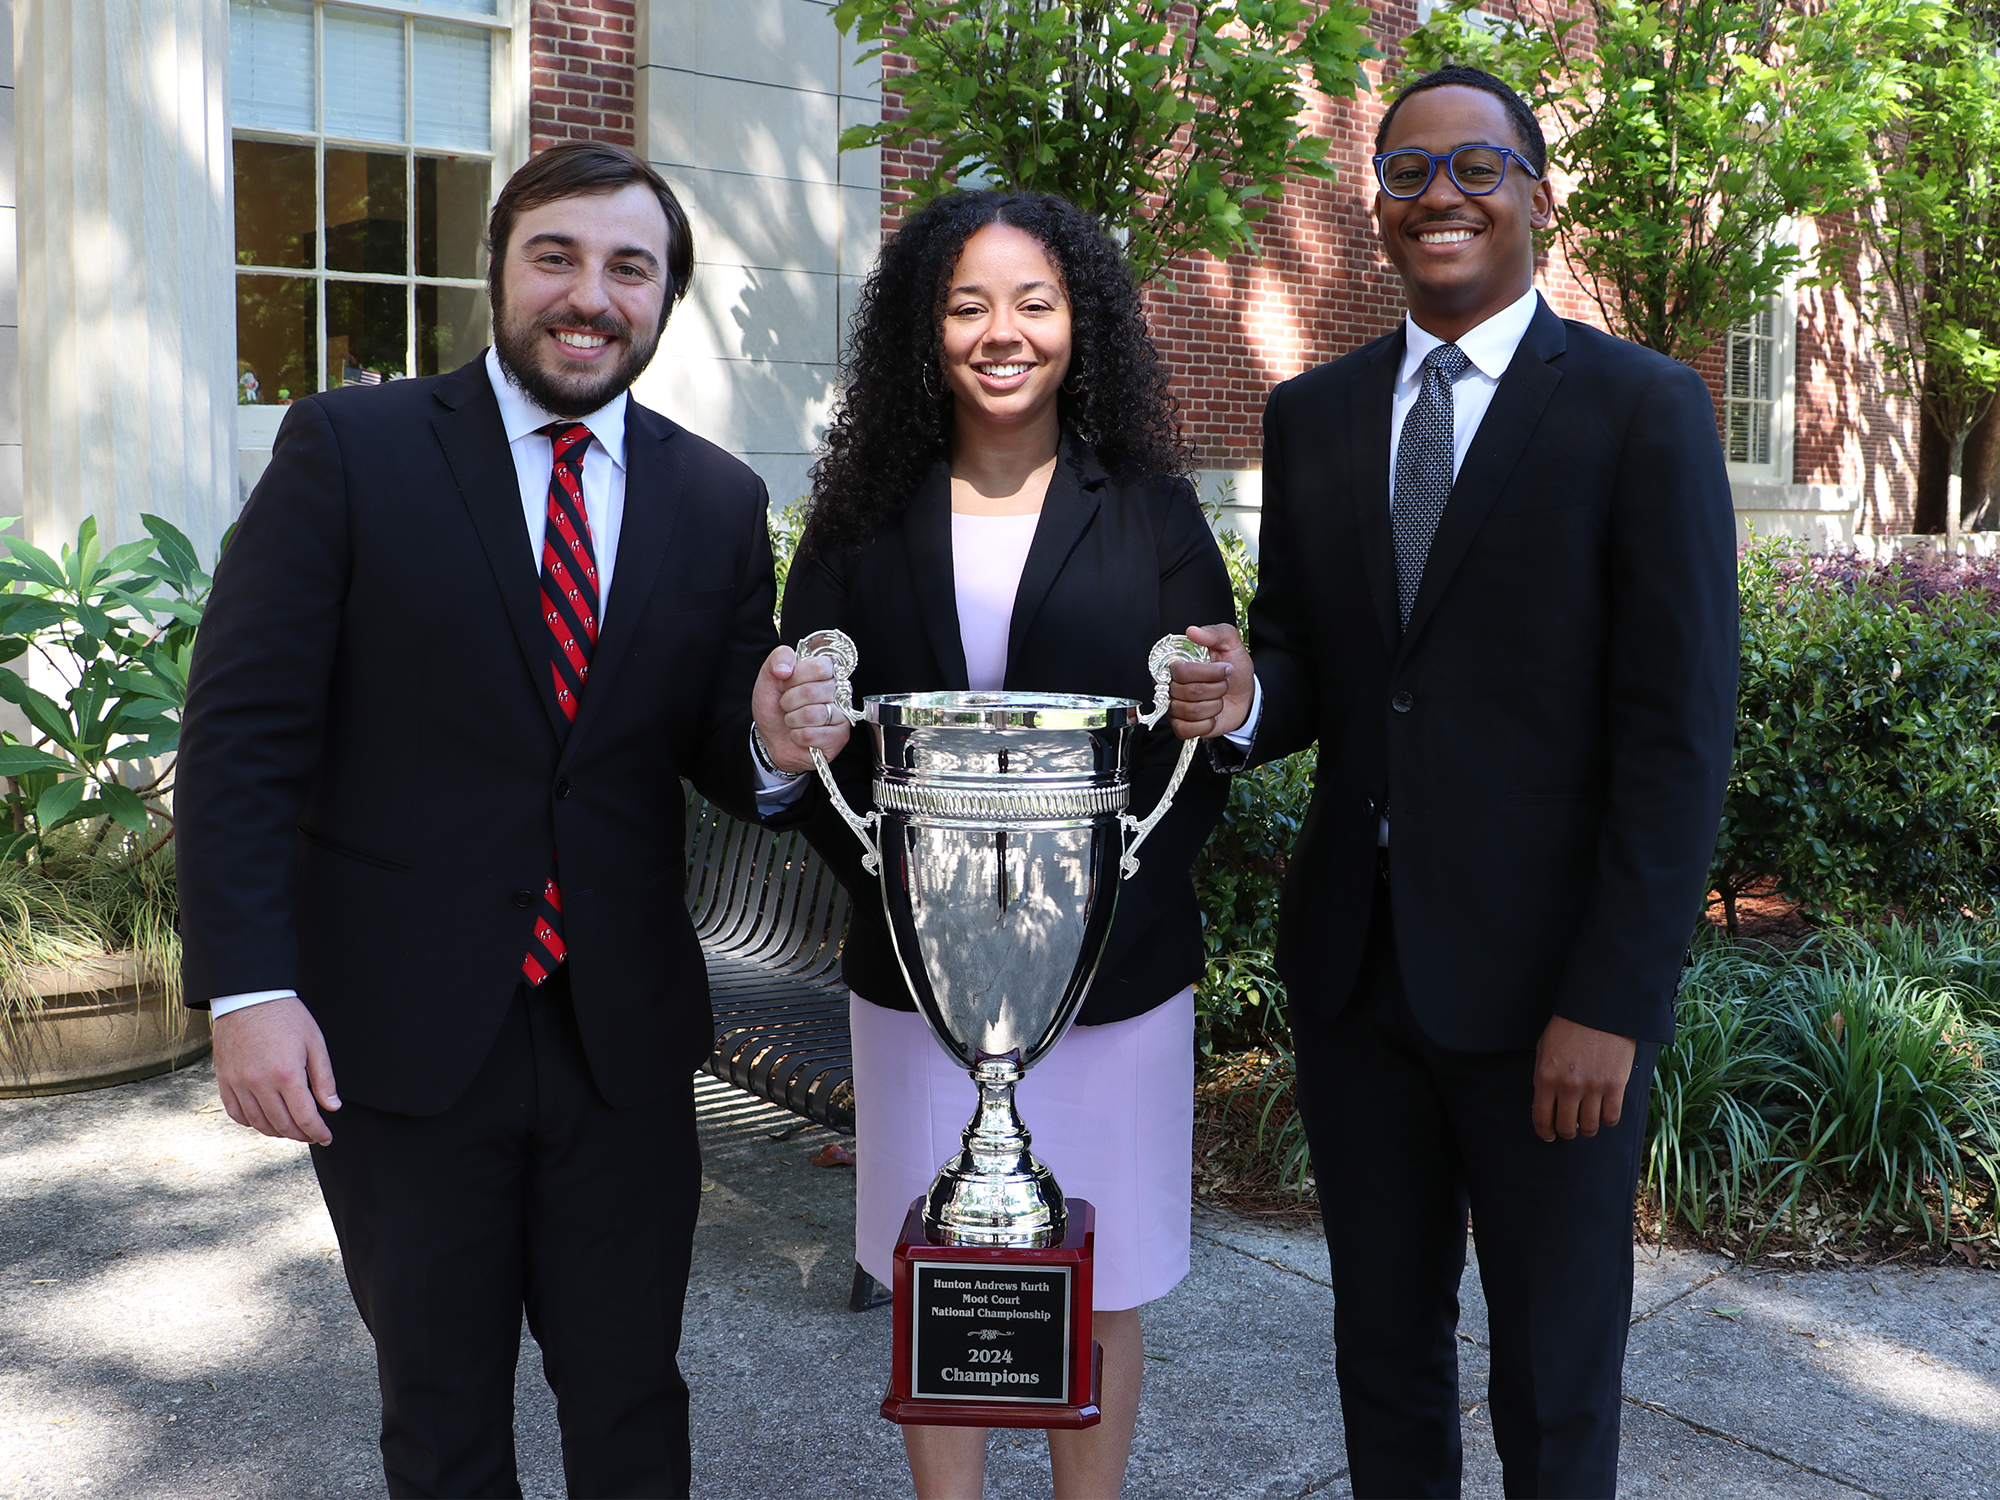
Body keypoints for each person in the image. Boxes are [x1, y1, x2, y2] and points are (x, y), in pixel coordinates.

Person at [176, 141, 846, 1499]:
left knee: (632, 1399)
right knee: (440, 1408)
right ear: (499, 274)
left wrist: (773, 746)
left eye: (627, 267)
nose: (588, 294)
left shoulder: (716, 499)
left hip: (624, 1042)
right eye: (557, 257)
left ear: (664, 300)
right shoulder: (349, 451)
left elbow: (720, 744)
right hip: (402, 1037)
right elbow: (242, 736)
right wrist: (248, 988)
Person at [1168, 66, 1738, 1498]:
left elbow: (1676, 737)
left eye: (1477, 168)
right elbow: (1313, 658)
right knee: (1384, 1356)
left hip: (1553, 1005)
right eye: (1410, 172)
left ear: (1538, 195)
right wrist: (1246, 699)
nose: (1441, 197)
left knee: (1553, 1381)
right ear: (1375, 208)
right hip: (1361, 982)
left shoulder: (1639, 409)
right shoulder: (1316, 416)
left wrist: (1613, 1003)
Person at [764, 189, 1233, 1499]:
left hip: (1117, 970)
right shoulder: (859, 510)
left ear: (1081, 322)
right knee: (944, 1273)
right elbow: (810, 739)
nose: (1002, 331)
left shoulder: (1148, 507)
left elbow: (1201, 734)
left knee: (1109, 1275)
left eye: (1035, 301)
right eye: (968, 304)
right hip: (922, 980)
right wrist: (916, 901)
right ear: (926, 328)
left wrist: (1113, 894)